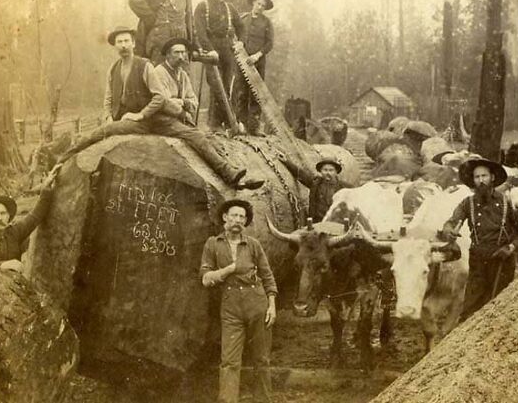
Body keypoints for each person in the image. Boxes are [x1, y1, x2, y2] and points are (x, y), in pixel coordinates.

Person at [59, 27, 260, 190]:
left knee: (195, 136)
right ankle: (64, 158)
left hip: (157, 120)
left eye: (126, 41)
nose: (123, 45)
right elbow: (109, 98)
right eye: (119, 42)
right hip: (133, 122)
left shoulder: (145, 65)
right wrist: (108, 117)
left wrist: (141, 114)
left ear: (133, 43)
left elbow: (159, 98)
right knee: (102, 132)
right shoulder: (113, 69)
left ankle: (230, 174)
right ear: (114, 46)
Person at [200, 199, 277, 403]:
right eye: (234, 215)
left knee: (261, 359)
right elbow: (206, 279)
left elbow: (268, 277)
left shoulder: (253, 244)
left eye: (242, 217)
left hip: (257, 304)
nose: (238, 220)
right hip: (231, 308)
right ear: (225, 217)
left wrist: (272, 306)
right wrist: (229, 269)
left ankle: (264, 400)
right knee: (229, 361)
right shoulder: (212, 244)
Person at [441, 158, 518, 321]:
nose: (481, 181)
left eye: (484, 176)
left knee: (499, 311)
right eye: (477, 177)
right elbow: (451, 222)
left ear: (492, 178)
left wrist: (510, 248)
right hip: (478, 263)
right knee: (469, 312)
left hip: (502, 263)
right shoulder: (467, 204)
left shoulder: (506, 203)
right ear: (473, 181)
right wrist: (449, 231)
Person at [0, 166, 59, 270]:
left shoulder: (14, 232)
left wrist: (46, 189)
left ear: (8, 216)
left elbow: (35, 217)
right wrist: (2, 266)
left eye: (2, 213)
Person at [194, 0, 244, 129]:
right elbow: (200, 31)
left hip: (228, 49)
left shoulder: (230, 8)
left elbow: (241, 27)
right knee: (216, 85)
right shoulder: (203, 6)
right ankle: (218, 124)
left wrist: (241, 42)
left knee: (227, 85)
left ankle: (225, 123)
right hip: (211, 50)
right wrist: (210, 50)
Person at [239, 0, 275, 134]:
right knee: (241, 92)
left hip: (258, 62)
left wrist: (257, 55)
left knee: (256, 94)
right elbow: (235, 35)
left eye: (263, 6)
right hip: (241, 60)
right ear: (253, 2)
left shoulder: (266, 22)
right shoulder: (242, 19)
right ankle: (240, 123)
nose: (260, 7)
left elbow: (270, 43)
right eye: (258, 4)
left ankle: (254, 126)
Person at [279, 156, 351, 222]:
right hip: (317, 222)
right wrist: (286, 161)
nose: (328, 173)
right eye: (325, 170)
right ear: (321, 171)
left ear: (336, 172)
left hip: (337, 223)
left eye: (331, 170)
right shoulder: (315, 184)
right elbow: (301, 174)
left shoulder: (345, 187)